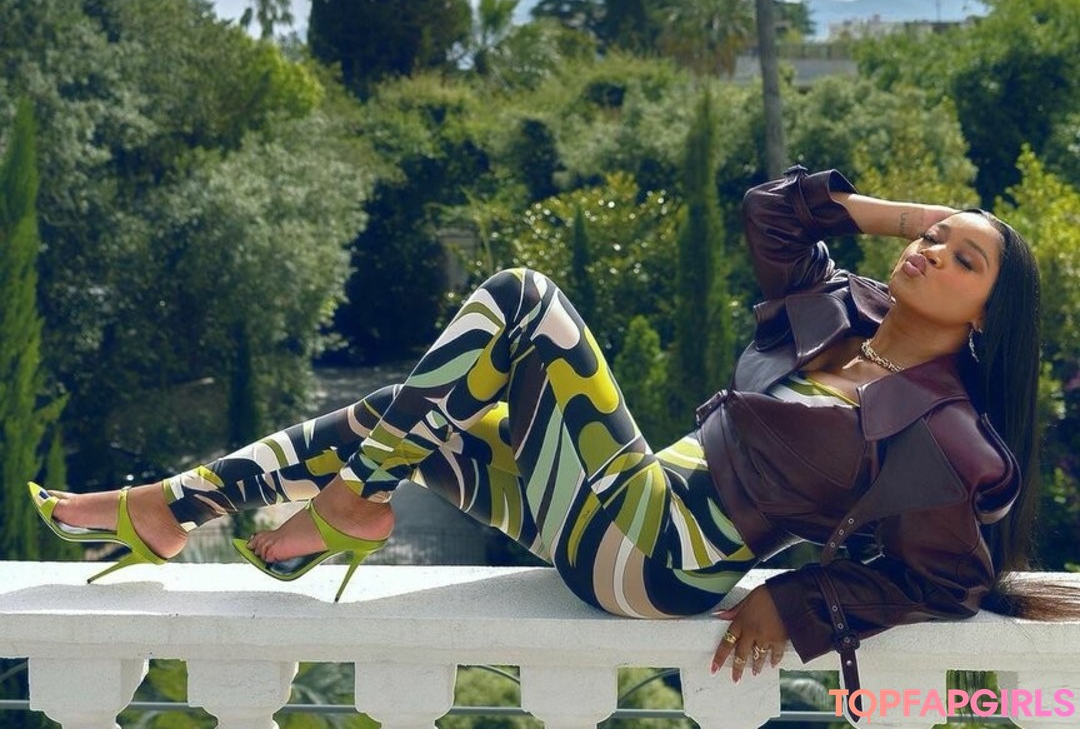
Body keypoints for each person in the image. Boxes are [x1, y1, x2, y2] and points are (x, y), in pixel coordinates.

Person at [30, 166, 1049, 712]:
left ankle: (345, 506)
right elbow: (774, 209)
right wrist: (912, 208)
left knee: (522, 296)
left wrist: (801, 599)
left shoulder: (946, 429)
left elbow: (946, 580)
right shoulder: (838, 311)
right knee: (410, 412)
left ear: (987, 316)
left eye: (963, 259)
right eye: (933, 236)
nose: (931, 251)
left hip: (659, 554)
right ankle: (173, 509)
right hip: (614, 512)